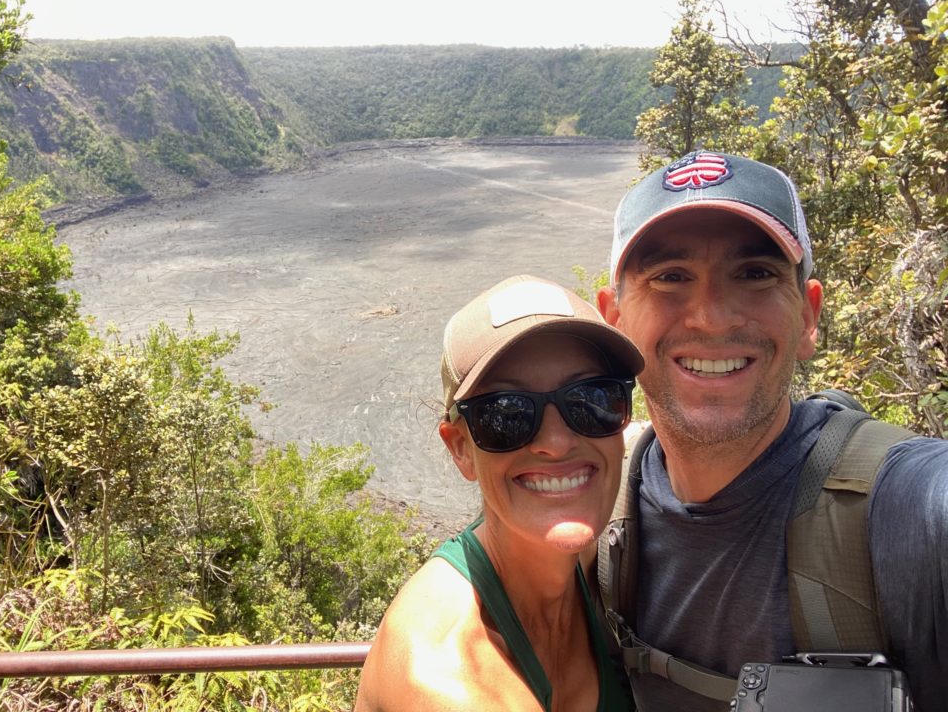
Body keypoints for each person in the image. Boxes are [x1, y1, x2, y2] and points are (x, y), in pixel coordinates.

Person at [595, 150, 948, 711]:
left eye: (755, 274)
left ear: (808, 315)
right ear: (614, 321)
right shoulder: (597, 507)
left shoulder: (902, 505)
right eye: (669, 277)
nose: (711, 317)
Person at [355, 274, 642, 712]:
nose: (556, 442)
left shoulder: (583, 566)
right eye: (506, 414)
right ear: (460, 449)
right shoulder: (446, 677)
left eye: (591, 399)